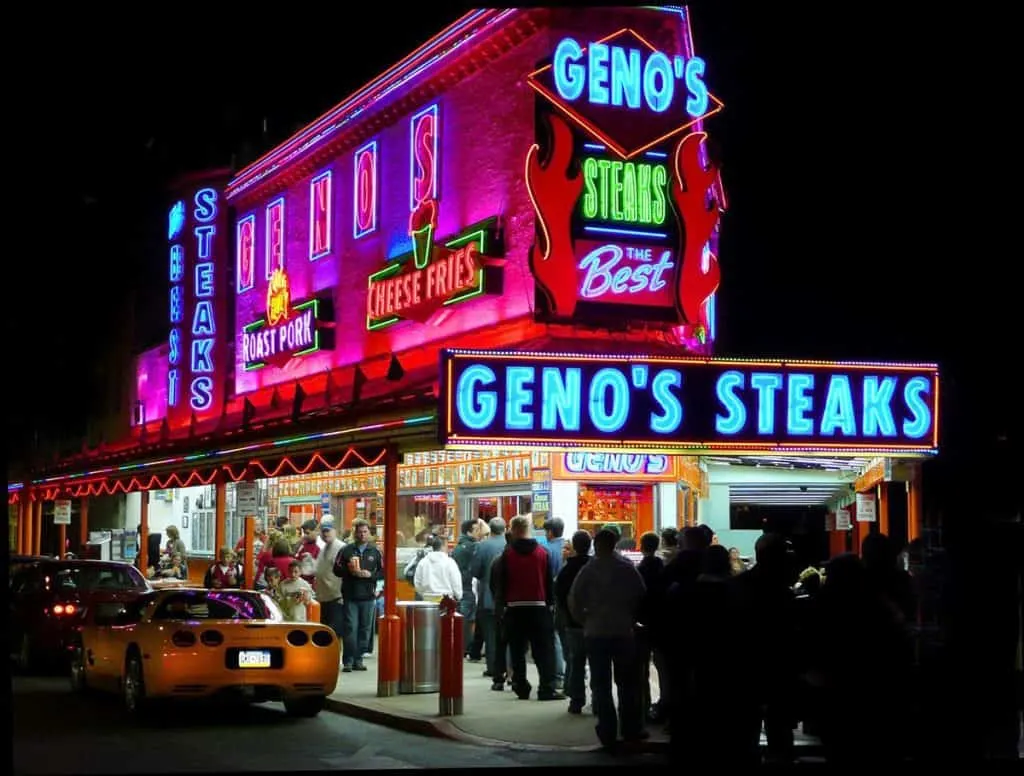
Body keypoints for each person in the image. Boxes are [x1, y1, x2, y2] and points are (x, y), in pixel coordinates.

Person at [569, 528, 647, 750]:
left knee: (601, 684)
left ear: (597, 544)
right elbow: (641, 594)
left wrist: (584, 620)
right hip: (623, 631)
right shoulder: (626, 568)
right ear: (615, 544)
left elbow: (574, 599)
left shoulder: (589, 570)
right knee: (627, 683)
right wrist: (631, 617)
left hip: (596, 632)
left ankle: (608, 730)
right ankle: (631, 728)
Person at [491, 515, 563, 701]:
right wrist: (550, 605)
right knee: (543, 650)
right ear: (528, 529)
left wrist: (500, 608)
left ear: (513, 530)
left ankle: (521, 685)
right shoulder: (542, 552)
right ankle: (546, 688)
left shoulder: (506, 555)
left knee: (517, 651)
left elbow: (500, 584)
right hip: (539, 607)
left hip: (514, 608)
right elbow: (549, 584)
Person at [334, 518, 383, 672]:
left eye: (365, 532)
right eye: (359, 532)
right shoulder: (346, 550)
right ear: (354, 533)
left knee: (365, 629)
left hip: (368, 597)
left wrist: (370, 575)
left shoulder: (375, 552)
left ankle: (358, 659)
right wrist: (348, 570)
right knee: (350, 628)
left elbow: (383, 572)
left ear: (369, 533)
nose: (362, 535)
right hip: (350, 596)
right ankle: (348, 660)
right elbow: (336, 570)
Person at [554, 530, 592, 714]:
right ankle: (599, 701)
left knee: (576, 661)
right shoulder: (594, 567)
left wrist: (567, 616)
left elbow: (559, 596)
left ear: (575, 547)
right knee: (597, 663)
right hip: (595, 623)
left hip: (572, 623)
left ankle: (576, 700)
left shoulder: (566, 570)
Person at [472, 517, 507, 681]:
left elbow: (476, 571)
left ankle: (493, 668)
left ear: (490, 530)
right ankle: (509, 667)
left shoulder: (483, 546)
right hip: (508, 597)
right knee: (507, 634)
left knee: (491, 635)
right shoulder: (509, 545)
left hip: (487, 596)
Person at [451, 519, 480, 658]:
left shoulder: (458, 546)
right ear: (469, 532)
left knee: (462, 618)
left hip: (460, 587)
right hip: (468, 587)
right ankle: (465, 648)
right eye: (476, 530)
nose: (479, 533)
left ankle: (461, 647)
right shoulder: (472, 547)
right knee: (467, 620)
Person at [315, 517, 345, 646]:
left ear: (335, 531)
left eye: (328, 530)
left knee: (334, 632)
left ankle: (335, 660)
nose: (325, 533)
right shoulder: (324, 548)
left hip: (337, 599)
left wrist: (343, 596)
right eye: (323, 531)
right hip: (323, 598)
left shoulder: (341, 548)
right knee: (325, 632)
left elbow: (346, 575)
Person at [414, 534, 463, 601]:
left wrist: (424, 594)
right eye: (447, 546)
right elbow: (456, 582)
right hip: (446, 600)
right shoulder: (450, 562)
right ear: (443, 546)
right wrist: (458, 596)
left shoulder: (423, 562)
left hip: (427, 600)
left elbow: (417, 582)